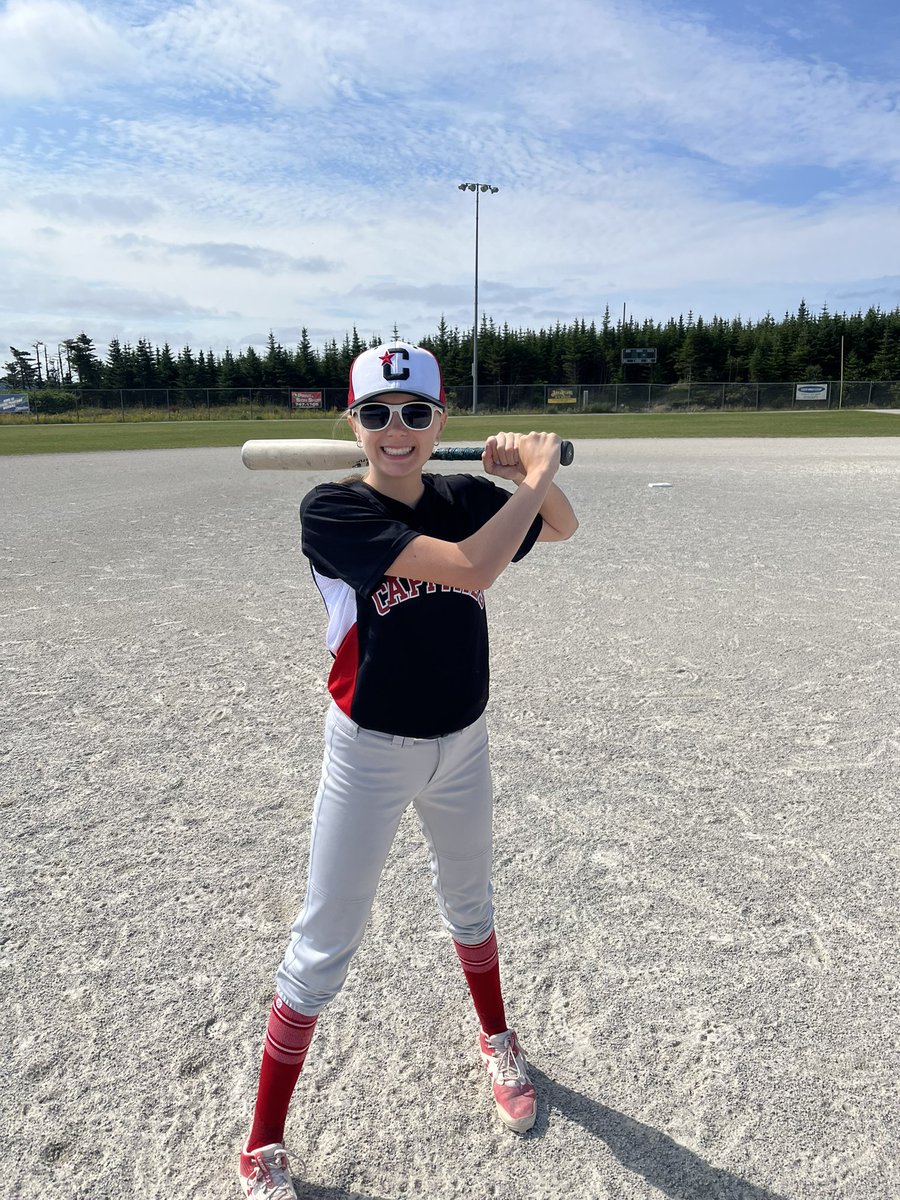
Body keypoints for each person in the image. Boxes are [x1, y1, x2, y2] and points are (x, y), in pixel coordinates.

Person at [239, 341, 578, 1200]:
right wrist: (531, 483)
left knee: (471, 903)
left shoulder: (466, 495)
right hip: (369, 752)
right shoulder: (331, 511)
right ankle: (262, 1143)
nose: (398, 430)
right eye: (378, 413)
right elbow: (473, 568)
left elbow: (564, 526)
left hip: (463, 742)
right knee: (324, 943)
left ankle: (497, 1040)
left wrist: (519, 476)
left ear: (440, 423)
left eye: (416, 413)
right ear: (351, 423)